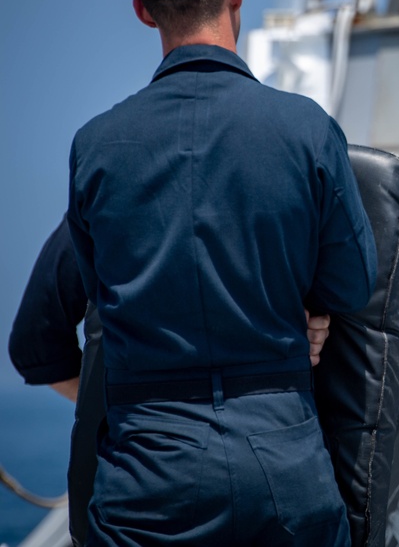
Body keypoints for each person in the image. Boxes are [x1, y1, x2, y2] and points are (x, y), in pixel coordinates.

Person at [65, 0, 377, 546]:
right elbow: (354, 285)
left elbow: (102, 291)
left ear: (143, 12)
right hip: (282, 463)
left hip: (146, 471)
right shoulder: (304, 129)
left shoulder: (94, 145)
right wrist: (309, 309)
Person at [8, 215, 334, 546]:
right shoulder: (288, 193)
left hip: (120, 491)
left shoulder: (106, 191)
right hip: (272, 484)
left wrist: (127, 404)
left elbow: (35, 344)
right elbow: (355, 287)